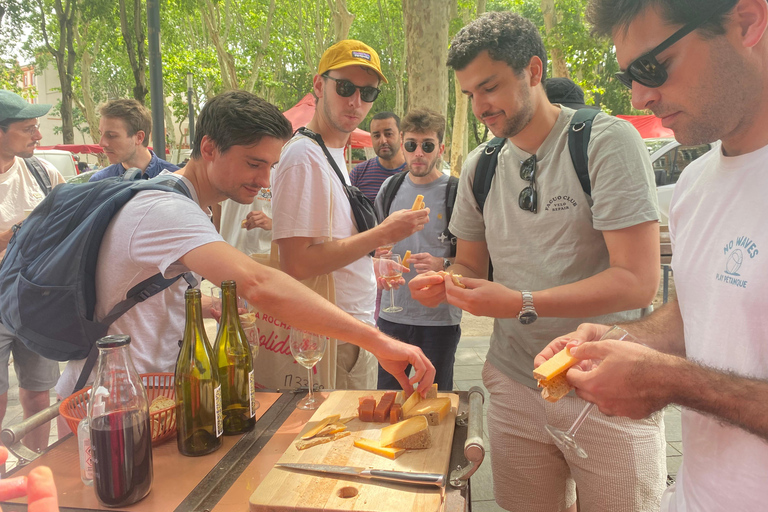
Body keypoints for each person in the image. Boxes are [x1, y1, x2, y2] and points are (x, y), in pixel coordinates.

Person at [410, 12, 666, 512]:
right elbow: (468, 263)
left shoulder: (605, 142)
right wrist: (446, 282)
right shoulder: (481, 163)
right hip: (513, 382)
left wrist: (522, 301)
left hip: (605, 384)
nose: (481, 106)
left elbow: (638, 282)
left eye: (490, 87)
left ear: (532, 70)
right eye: (469, 94)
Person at [55, 90, 435, 414]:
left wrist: (203, 307)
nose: (264, 180)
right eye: (254, 163)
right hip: (114, 404)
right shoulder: (166, 210)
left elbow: (132, 290)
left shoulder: (189, 205)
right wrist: (377, 340)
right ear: (208, 148)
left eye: (271, 165)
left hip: (154, 395)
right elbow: (259, 283)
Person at [536, 1, 768, 511]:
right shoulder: (695, 185)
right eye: (629, 77)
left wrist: (667, 380)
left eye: (652, 66)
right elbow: (699, 313)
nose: (641, 95)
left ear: (747, 22)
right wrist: (621, 338)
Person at [271, 40, 430, 390]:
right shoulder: (302, 157)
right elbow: (296, 264)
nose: (356, 101)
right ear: (318, 86)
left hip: (352, 331)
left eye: (368, 92)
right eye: (345, 88)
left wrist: (371, 266)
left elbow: (329, 246)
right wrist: (382, 234)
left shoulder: (331, 154)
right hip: (330, 339)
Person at [373, 109, 462, 391]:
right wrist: (379, 258)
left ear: (441, 148)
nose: (418, 153)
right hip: (393, 314)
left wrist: (442, 264)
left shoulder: (455, 192)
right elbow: (374, 244)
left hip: (440, 319)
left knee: (434, 397)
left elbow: (476, 259)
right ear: (403, 145)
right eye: (411, 145)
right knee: (389, 396)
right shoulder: (391, 188)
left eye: (427, 145)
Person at [0, 90, 64, 452]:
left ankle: (38, 467)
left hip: (34, 299)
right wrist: (22, 230)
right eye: (28, 128)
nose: (38, 136)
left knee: (39, 397)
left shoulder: (42, 172)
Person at [88, 99, 178, 182]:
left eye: (111, 136)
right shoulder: (99, 181)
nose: (101, 143)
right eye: (101, 134)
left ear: (139, 137)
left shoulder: (176, 179)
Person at [350, 112, 407, 202]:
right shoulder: (359, 173)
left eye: (388, 134)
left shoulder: (415, 172)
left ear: (401, 136)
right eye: (376, 136)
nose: (382, 141)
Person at [215, 188, 273, 256]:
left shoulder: (281, 179)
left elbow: (287, 223)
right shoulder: (226, 179)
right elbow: (216, 208)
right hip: (227, 252)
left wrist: (271, 223)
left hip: (262, 255)